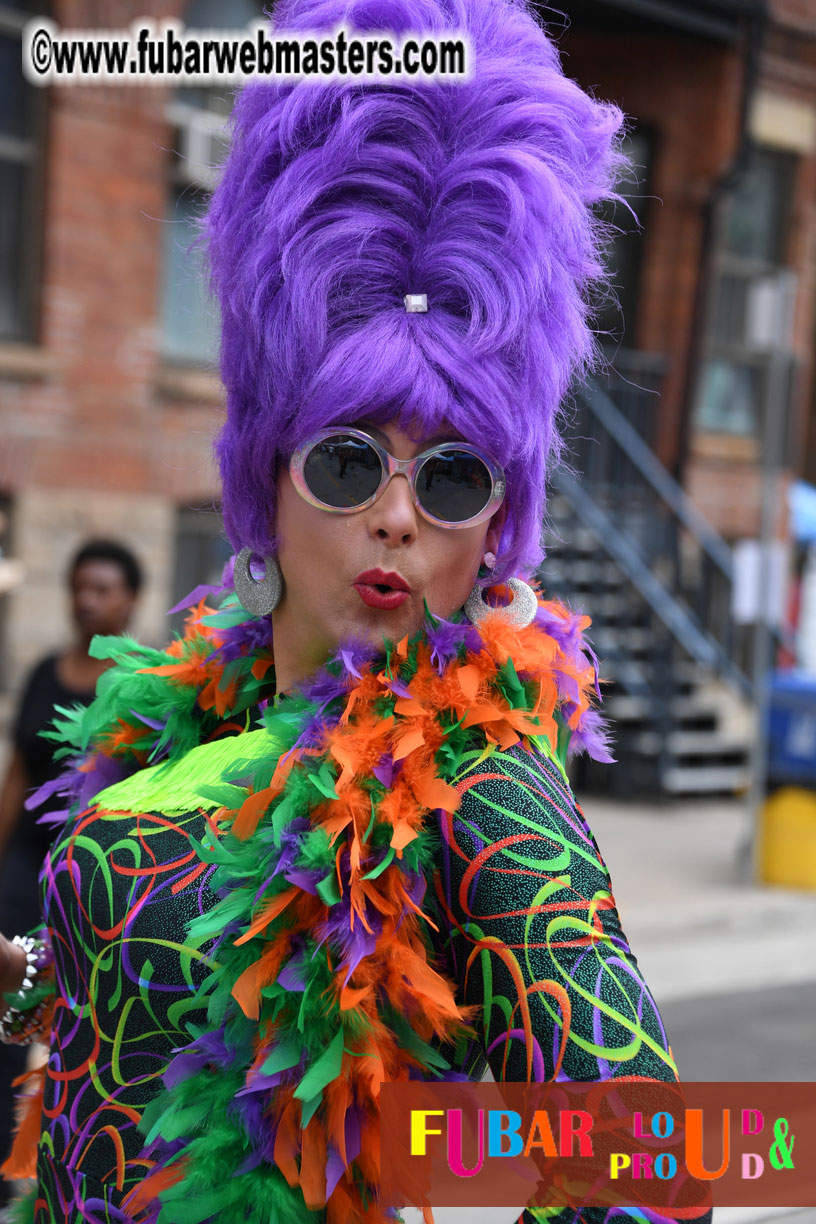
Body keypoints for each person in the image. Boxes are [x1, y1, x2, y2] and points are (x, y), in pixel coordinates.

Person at [0, 1, 709, 1221]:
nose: (395, 516)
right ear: (264, 484)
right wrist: (58, 973)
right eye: (345, 462)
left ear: (497, 526)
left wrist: (405, 1149)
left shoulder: (476, 787)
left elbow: (655, 1166)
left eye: (450, 478)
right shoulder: (191, 709)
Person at [0, 538, 142, 1208]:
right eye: (80, 586)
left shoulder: (143, 687)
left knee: (75, 1022)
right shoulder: (42, 674)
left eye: (103, 588)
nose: (88, 600)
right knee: (5, 1009)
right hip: (24, 864)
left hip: (91, 879)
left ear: (131, 600)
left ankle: (62, 1166)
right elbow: (19, 775)